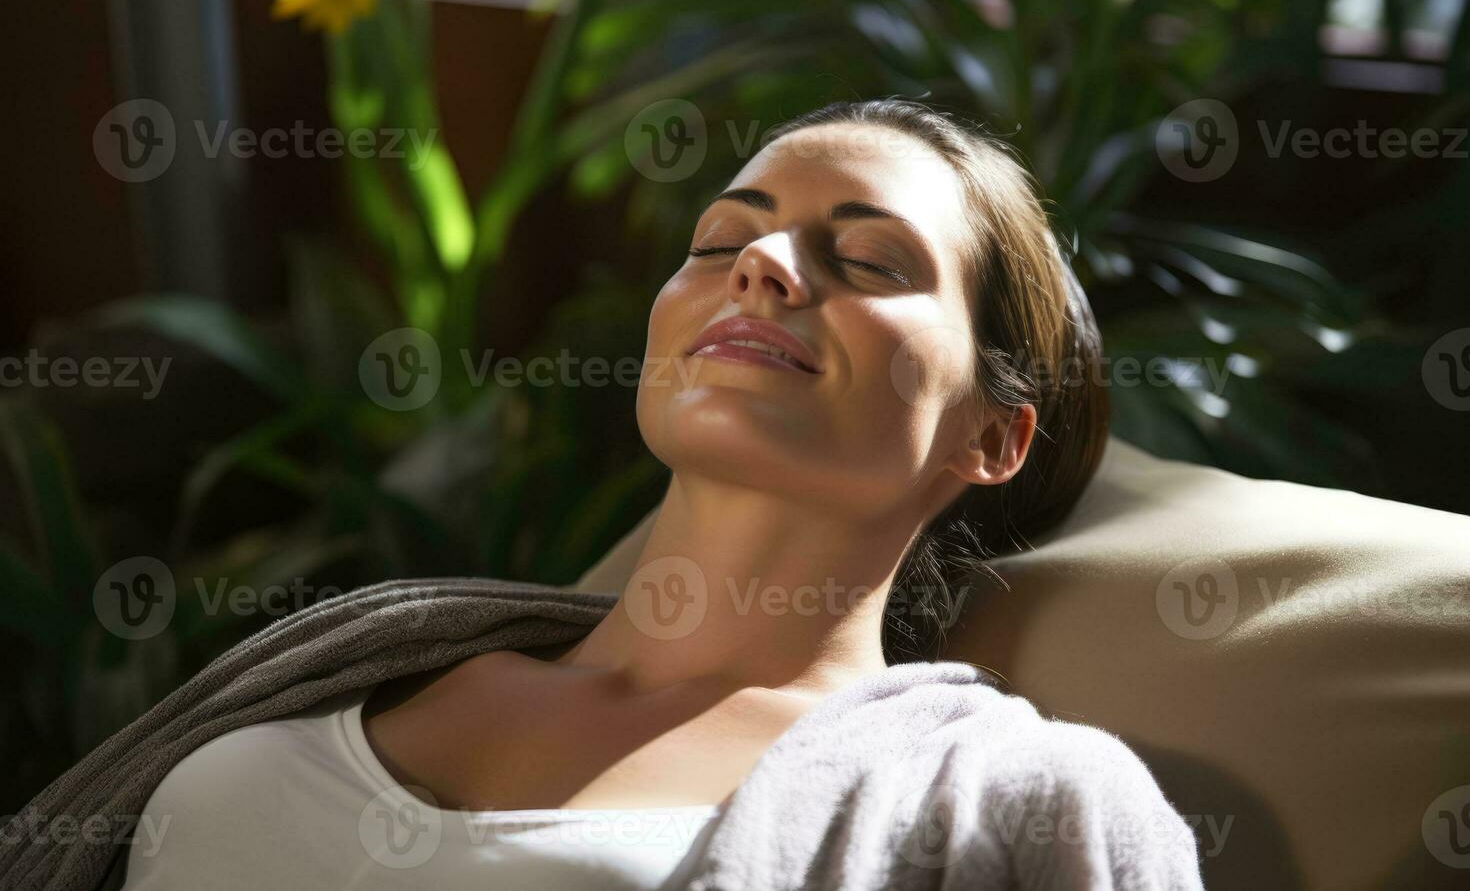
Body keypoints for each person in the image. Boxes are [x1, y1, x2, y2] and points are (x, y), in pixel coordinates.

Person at [8, 100, 1202, 891]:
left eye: (868, 259)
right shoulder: (362, 654)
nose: (761, 263)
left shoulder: (1004, 799)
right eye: (721, 236)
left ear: (992, 436)